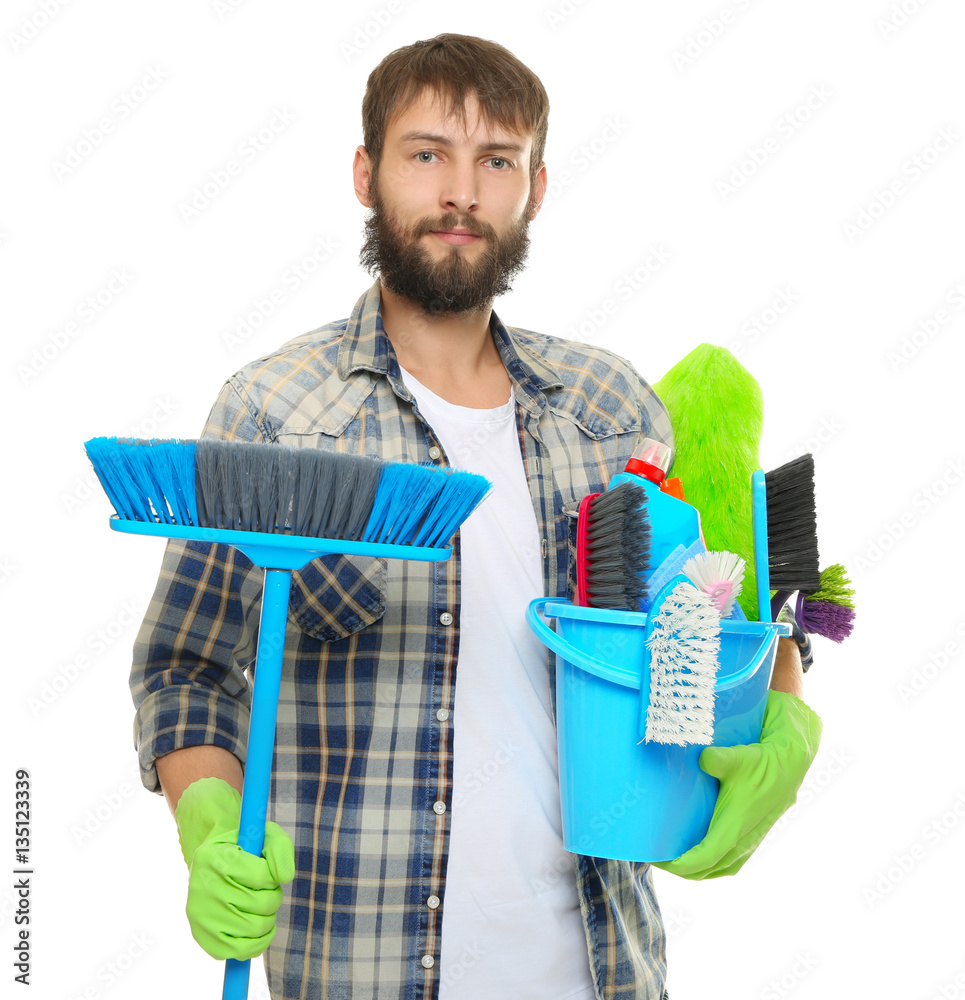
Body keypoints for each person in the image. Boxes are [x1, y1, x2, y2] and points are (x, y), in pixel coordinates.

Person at [131, 33, 821, 1000]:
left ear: (534, 188)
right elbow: (184, 665)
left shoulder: (611, 409)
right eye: (427, 155)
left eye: (495, 160)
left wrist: (787, 723)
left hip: (600, 966)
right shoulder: (274, 414)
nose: (461, 192)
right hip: (352, 962)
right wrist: (207, 824)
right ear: (367, 174)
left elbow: (722, 607)